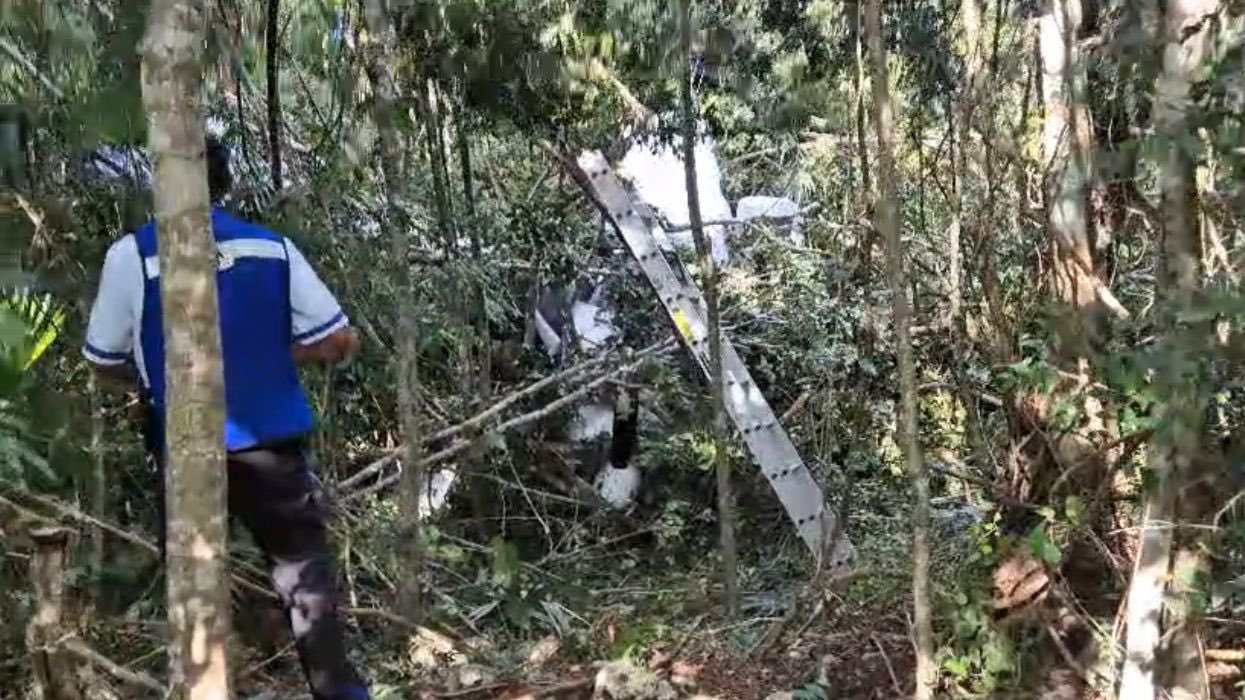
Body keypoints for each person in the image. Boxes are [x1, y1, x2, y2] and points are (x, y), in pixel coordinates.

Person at [81, 136, 370, 700]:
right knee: (306, 587)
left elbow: (102, 361)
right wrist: (272, 356)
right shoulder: (271, 248)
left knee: (196, 600)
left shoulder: (132, 255)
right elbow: (338, 338)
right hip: (272, 445)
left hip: (185, 447)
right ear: (224, 183)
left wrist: (157, 380)